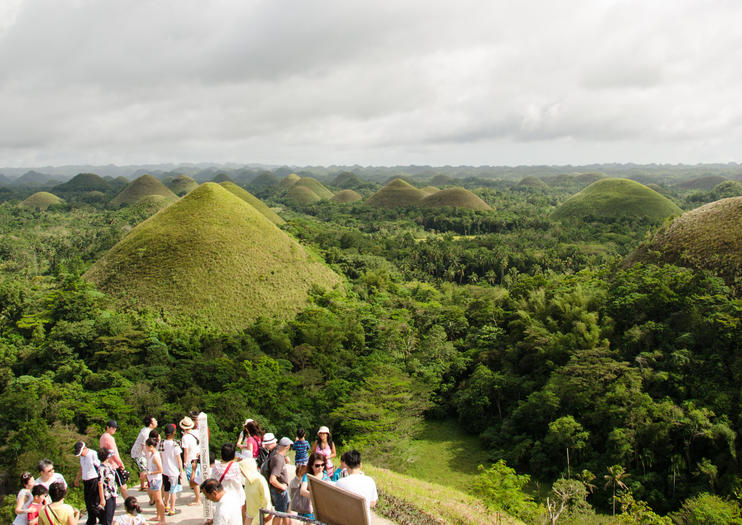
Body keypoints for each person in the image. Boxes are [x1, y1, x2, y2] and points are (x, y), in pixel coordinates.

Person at [334, 450, 378, 520]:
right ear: (360, 465)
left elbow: (337, 503)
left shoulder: (340, 482)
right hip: (365, 521)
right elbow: (373, 503)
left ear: (346, 465)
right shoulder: (370, 480)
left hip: (346, 520)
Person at [73, 441, 101, 525]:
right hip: (86, 480)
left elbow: (99, 467)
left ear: (85, 448)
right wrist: (77, 479)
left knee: (93, 503)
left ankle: (102, 517)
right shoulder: (82, 457)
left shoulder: (92, 454)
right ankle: (91, 520)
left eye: (81, 452)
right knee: (87, 501)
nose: (81, 454)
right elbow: (82, 467)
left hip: (93, 479)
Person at [238, 457, 272, 525]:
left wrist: (258, 519)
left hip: (262, 515)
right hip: (250, 515)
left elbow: (266, 501)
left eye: (242, 470)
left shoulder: (260, 480)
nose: (241, 472)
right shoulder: (247, 480)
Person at [100, 420, 128, 499]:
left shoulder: (102, 437)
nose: (114, 429)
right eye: (112, 428)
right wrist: (120, 464)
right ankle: (129, 503)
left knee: (112, 484)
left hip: (106, 464)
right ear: (107, 427)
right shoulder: (109, 438)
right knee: (123, 485)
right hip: (113, 465)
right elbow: (114, 453)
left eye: (115, 428)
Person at [211, 443, 245, 510]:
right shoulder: (237, 466)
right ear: (234, 455)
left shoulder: (216, 468)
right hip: (237, 499)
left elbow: (213, 482)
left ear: (221, 454)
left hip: (222, 500)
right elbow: (243, 482)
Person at [297, 452, 330, 520]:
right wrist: (315, 497)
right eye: (317, 465)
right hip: (309, 509)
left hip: (323, 509)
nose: (320, 467)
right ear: (311, 466)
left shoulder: (326, 477)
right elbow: (302, 491)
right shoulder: (307, 476)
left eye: (322, 465)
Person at [159, 424, 183, 516]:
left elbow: (161, 456)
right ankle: (172, 508)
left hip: (165, 470)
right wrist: (181, 470)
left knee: (166, 488)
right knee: (173, 490)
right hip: (173, 471)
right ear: (174, 432)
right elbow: (179, 459)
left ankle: (166, 505)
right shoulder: (175, 444)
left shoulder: (162, 443)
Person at [267, 437, 292, 525]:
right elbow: (272, 479)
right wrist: (282, 487)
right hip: (279, 491)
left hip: (280, 491)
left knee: (285, 514)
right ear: (287, 447)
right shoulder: (279, 459)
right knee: (279, 515)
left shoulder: (277, 457)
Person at [131, 417, 157, 492]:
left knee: (143, 468)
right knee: (144, 468)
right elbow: (144, 446)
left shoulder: (146, 430)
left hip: (140, 452)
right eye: (155, 421)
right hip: (138, 453)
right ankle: (142, 486)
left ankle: (142, 485)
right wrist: (149, 457)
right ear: (151, 424)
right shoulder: (146, 432)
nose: (156, 421)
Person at [180, 416, 201, 506]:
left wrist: (185, 462)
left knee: (193, 481)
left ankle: (197, 499)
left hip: (190, 460)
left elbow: (186, 452)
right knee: (197, 479)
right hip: (198, 458)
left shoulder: (185, 438)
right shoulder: (196, 432)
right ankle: (198, 497)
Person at [145, 437, 166, 524]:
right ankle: (158, 516)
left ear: (151, 446)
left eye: (147, 446)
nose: (146, 448)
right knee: (157, 499)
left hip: (156, 479)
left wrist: (150, 473)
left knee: (159, 500)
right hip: (153, 479)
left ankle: (162, 519)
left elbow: (160, 470)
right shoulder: (152, 454)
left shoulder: (155, 457)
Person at [97, 448, 118, 525]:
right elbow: (100, 484)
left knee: (112, 512)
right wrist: (102, 499)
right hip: (107, 494)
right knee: (107, 516)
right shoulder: (101, 468)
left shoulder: (109, 465)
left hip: (113, 492)